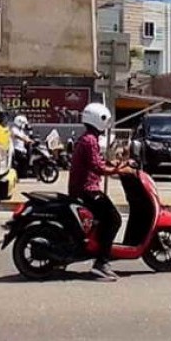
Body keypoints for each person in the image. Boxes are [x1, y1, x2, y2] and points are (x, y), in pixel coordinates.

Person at [68, 102, 129, 282]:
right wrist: (117, 170)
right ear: (99, 119)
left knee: (106, 218)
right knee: (114, 219)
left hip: (84, 188)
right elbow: (97, 166)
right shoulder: (89, 141)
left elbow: (99, 162)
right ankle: (101, 263)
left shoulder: (89, 139)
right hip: (87, 190)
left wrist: (117, 166)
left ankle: (98, 252)